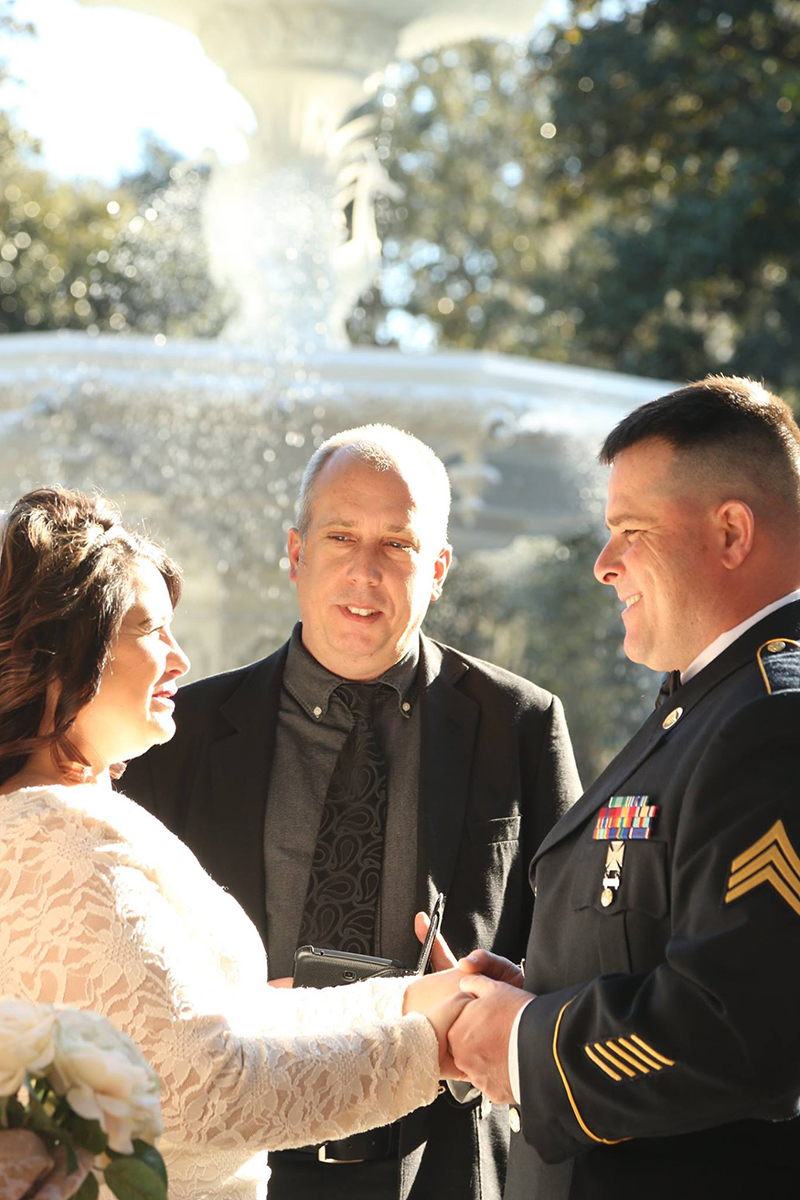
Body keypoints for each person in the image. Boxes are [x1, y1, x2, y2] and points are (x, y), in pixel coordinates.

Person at [122, 424, 581, 1200]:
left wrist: (491, 1010)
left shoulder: (521, 724)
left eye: (397, 545)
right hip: (235, 1151)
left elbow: (575, 953)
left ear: (436, 570)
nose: (365, 571)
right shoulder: (177, 732)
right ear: (297, 555)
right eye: (341, 536)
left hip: (445, 1158)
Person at [0, 485, 476, 1200]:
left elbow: (231, 1020)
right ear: (66, 652)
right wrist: (437, 1046)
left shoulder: (73, 816)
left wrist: (418, 1003)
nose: (180, 658)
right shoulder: (54, 841)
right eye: (148, 629)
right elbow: (203, 1089)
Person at [444, 375, 800, 1199]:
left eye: (631, 531)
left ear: (732, 532)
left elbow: (739, 1025)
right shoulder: (709, 702)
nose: (604, 565)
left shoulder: (771, 720)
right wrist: (536, 989)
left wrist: (528, 1039)